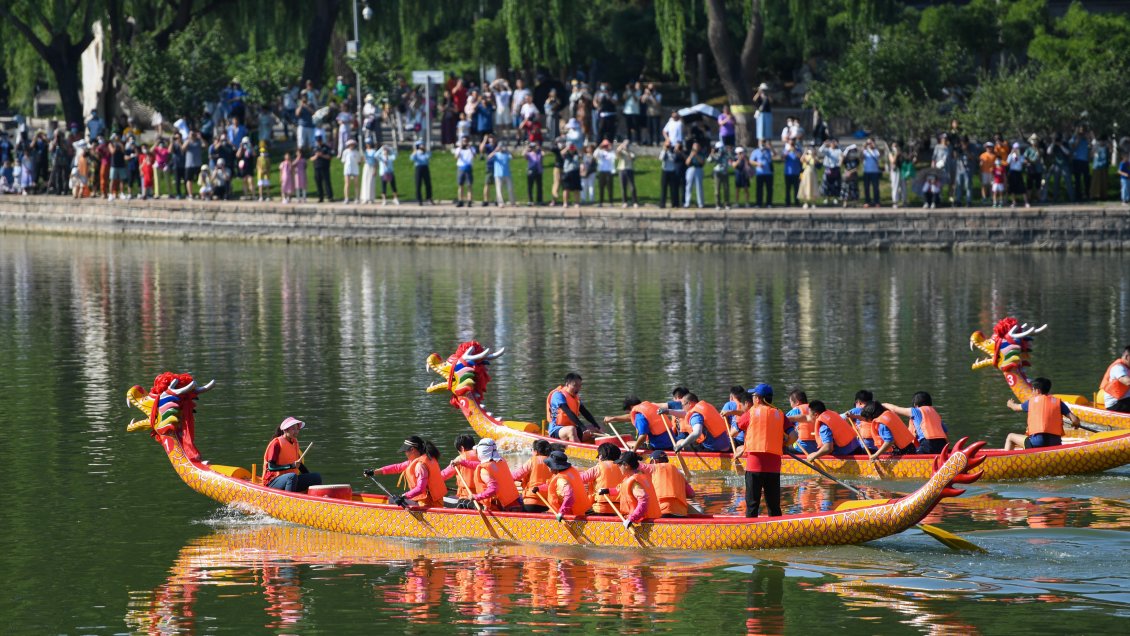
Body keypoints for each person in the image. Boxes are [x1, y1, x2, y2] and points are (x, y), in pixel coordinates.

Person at [736, 384, 795, 517]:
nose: (752, 399)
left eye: (753, 396)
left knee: (752, 505)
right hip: (773, 467)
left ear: (758, 398)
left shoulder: (750, 412)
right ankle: (776, 531)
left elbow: (735, 431)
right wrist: (783, 445)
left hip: (754, 466)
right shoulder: (780, 414)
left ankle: (750, 532)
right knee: (774, 507)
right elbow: (794, 436)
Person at [366, 435, 445, 508]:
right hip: (435, 502)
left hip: (427, 504)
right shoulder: (427, 458)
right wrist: (374, 472)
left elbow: (421, 488)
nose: (405, 454)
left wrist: (403, 497)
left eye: (405, 451)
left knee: (391, 500)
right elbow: (396, 467)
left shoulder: (420, 466)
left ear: (412, 449)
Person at [1004, 377, 1080, 450]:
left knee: (1010, 437)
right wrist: (1075, 424)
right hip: (1055, 444)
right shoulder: (1058, 402)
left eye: (1033, 390)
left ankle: (1004, 460)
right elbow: (1075, 419)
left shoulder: (1031, 402)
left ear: (1038, 391)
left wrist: (1010, 403)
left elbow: (1015, 407)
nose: (1032, 392)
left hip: (1036, 444)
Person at [598, 451, 659, 527]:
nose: (618, 466)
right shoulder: (638, 475)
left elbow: (644, 501)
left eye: (619, 464)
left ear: (626, 465)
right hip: (650, 519)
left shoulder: (635, 482)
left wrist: (631, 519)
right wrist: (607, 491)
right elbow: (621, 489)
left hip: (644, 523)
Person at [262, 417, 322, 492]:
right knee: (291, 476)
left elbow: (299, 465)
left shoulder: (294, 443)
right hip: (272, 482)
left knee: (316, 477)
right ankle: (289, 500)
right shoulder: (276, 443)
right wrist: (291, 466)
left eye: (297, 429)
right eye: (293, 429)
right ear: (285, 430)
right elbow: (271, 467)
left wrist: (309, 477)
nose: (296, 431)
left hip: (290, 480)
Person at [464, 438, 521, 511]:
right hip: (514, 502)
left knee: (463, 503)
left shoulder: (484, 470)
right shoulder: (501, 461)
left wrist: (476, 496)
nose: (476, 453)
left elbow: (494, 489)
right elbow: (480, 465)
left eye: (477, 451)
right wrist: (463, 462)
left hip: (498, 507)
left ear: (481, 453)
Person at [882, 391, 949, 454]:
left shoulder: (916, 411)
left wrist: (882, 405)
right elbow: (945, 432)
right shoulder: (935, 413)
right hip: (942, 445)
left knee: (909, 453)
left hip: (928, 444)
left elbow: (895, 409)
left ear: (915, 404)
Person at [546, 372, 603, 442]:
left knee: (596, 428)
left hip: (573, 428)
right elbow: (568, 411)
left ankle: (599, 449)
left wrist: (596, 425)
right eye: (575, 385)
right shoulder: (558, 395)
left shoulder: (576, 398)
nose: (578, 388)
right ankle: (578, 450)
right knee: (571, 429)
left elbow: (585, 412)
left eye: (579, 386)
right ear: (567, 384)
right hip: (557, 430)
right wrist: (583, 427)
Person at [537, 450, 592, 519]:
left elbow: (569, 498)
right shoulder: (570, 471)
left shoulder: (562, 480)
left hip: (570, 514)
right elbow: (552, 486)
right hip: (580, 511)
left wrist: (561, 512)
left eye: (549, 465)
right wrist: (539, 488)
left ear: (554, 467)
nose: (548, 467)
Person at [606, 396, 674, 451]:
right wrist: (613, 418)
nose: (629, 414)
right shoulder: (650, 407)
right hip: (672, 442)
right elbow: (631, 417)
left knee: (628, 443)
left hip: (659, 446)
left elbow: (643, 436)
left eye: (628, 412)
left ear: (631, 407)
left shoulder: (639, 416)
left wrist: (633, 452)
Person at [641, 451, 695, 517]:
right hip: (681, 513)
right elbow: (692, 494)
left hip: (662, 511)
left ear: (653, 461)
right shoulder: (679, 473)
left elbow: (635, 466)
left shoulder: (653, 468)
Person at [577, 443, 624, 515]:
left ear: (601, 456)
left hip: (600, 509)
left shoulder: (597, 468)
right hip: (621, 509)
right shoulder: (625, 468)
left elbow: (577, 479)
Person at [512, 439, 553, 512]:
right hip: (549, 504)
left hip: (531, 501)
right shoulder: (554, 463)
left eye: (532, 450)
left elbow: (516, 476)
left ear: (536, 451)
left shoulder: (532, 460)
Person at [446, 434, 479, 508]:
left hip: (467, 497)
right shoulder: (484, 456)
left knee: (448, 498)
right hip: (482, 496)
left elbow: (444, 475)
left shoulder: (460, 459)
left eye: (458, 450)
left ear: (462, 448)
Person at [1098, 345, 1130, 412]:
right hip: (1115, 404)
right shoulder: (1118, 367)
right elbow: (1127, 382)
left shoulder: (1127, 367)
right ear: (1127, 357)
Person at [785, 389, 815, 453]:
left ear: (797, 402)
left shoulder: (795, 410)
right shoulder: (815, 409)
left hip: (801, 448)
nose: (791, 405)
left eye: (791, 402)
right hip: (818, 447)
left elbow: (782, 420)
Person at [453, 136, 475, 207]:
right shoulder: (458, 149)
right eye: (463, 141)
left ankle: (469, 201)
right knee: (460, 185)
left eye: (466, 141)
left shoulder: (471, 149)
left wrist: (470, 148)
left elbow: (474, 156)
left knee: (469, 185)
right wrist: (460, 148)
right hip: (461, 168)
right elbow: (456, 157)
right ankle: (460, 200)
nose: (465, 142)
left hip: (468, 168)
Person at [709, 141, 731, 209]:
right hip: (717, 173)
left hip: (725, 172)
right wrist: (712, 153)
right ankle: (718, 204)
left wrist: (728, 151)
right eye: (719, 148)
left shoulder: (726, 154)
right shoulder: (714, 154)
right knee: (717, 190)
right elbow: (709, 160)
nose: (720, 150)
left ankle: (727, 204)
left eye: (721, 148)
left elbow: (730, 159)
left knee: (726, 189)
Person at [684, 141, 706, 209]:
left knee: (699, 187)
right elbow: (687, 162)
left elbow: (702, 162)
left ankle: (700, 203)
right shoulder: (690, 153)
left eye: (696, 146)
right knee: (688, 187)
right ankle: (687, 203)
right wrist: (691, 155)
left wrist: (696, 155)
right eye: (694, 147)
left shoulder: (701, 153)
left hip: (698, 169)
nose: (695, 148)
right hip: (691, 169)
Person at [410, 141, 433, 205]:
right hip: (418, 168)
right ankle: (419, 199)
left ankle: (429, 198)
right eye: (421, 145)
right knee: (418, 184)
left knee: (428, 184)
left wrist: (426, 151)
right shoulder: (416, 153)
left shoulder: (426, 152)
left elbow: (429, 156)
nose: (423, 146)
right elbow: (412, 158)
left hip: (425, 167)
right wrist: (414, 151)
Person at [659, 141, 680, 208]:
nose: (668, 146)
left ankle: (674, 204)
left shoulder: (673, 151)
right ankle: (662, 204)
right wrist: (665, 150)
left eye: (669, 145)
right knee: (663, 188)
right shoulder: (663, 151)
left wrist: (671, 151)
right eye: (667, 145)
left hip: (672, 171)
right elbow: (661, 158)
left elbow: (673, 159)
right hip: (665, 171)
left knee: (673, 189)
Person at [594, 139, 615, 206]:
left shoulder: (611, 152)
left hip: (609, 172)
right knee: (601, 188)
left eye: (607, 145)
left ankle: (611, 202)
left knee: (610, 188)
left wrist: (611, 147)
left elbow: (616, 156)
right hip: (601, 172)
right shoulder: (600, 152)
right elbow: (595, 155)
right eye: (604, 145)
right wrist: (599, 147)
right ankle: (600, 202)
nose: (606, 147)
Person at [861, 138, 882, 207]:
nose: (869, 144)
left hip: (875, 172)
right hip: (866, 172)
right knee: (866, 187)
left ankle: (877, 201)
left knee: (875, 187)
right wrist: (863, 147)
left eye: (871, 142)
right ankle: (867, 201)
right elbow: (861, 157)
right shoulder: (865, 151)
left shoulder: (876, 151)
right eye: (868, 143)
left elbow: (880, 155)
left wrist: (875, 146)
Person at [313, 134, 333, 202]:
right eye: (317, 141)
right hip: (317, 167)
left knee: (327, 182)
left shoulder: (326, 147)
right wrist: (316, 156)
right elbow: (311, 158)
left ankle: (330, 196)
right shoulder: (314, 148)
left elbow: (329, 157)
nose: (319, 142)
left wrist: (322, 155)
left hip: (324, 167)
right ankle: (320, 197)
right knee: (318, 183)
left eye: (319, 141)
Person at [340, 138, 361, 203]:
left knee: (356, 184)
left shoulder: (357, 152)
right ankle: (346, 198)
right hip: (347, 169)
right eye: (350, 144)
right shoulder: (345, 152)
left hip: (355, 169)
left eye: (353, 144)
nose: (352, 146)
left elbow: (359, 161)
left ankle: (357, 198)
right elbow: (343, 161)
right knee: (347, 184)